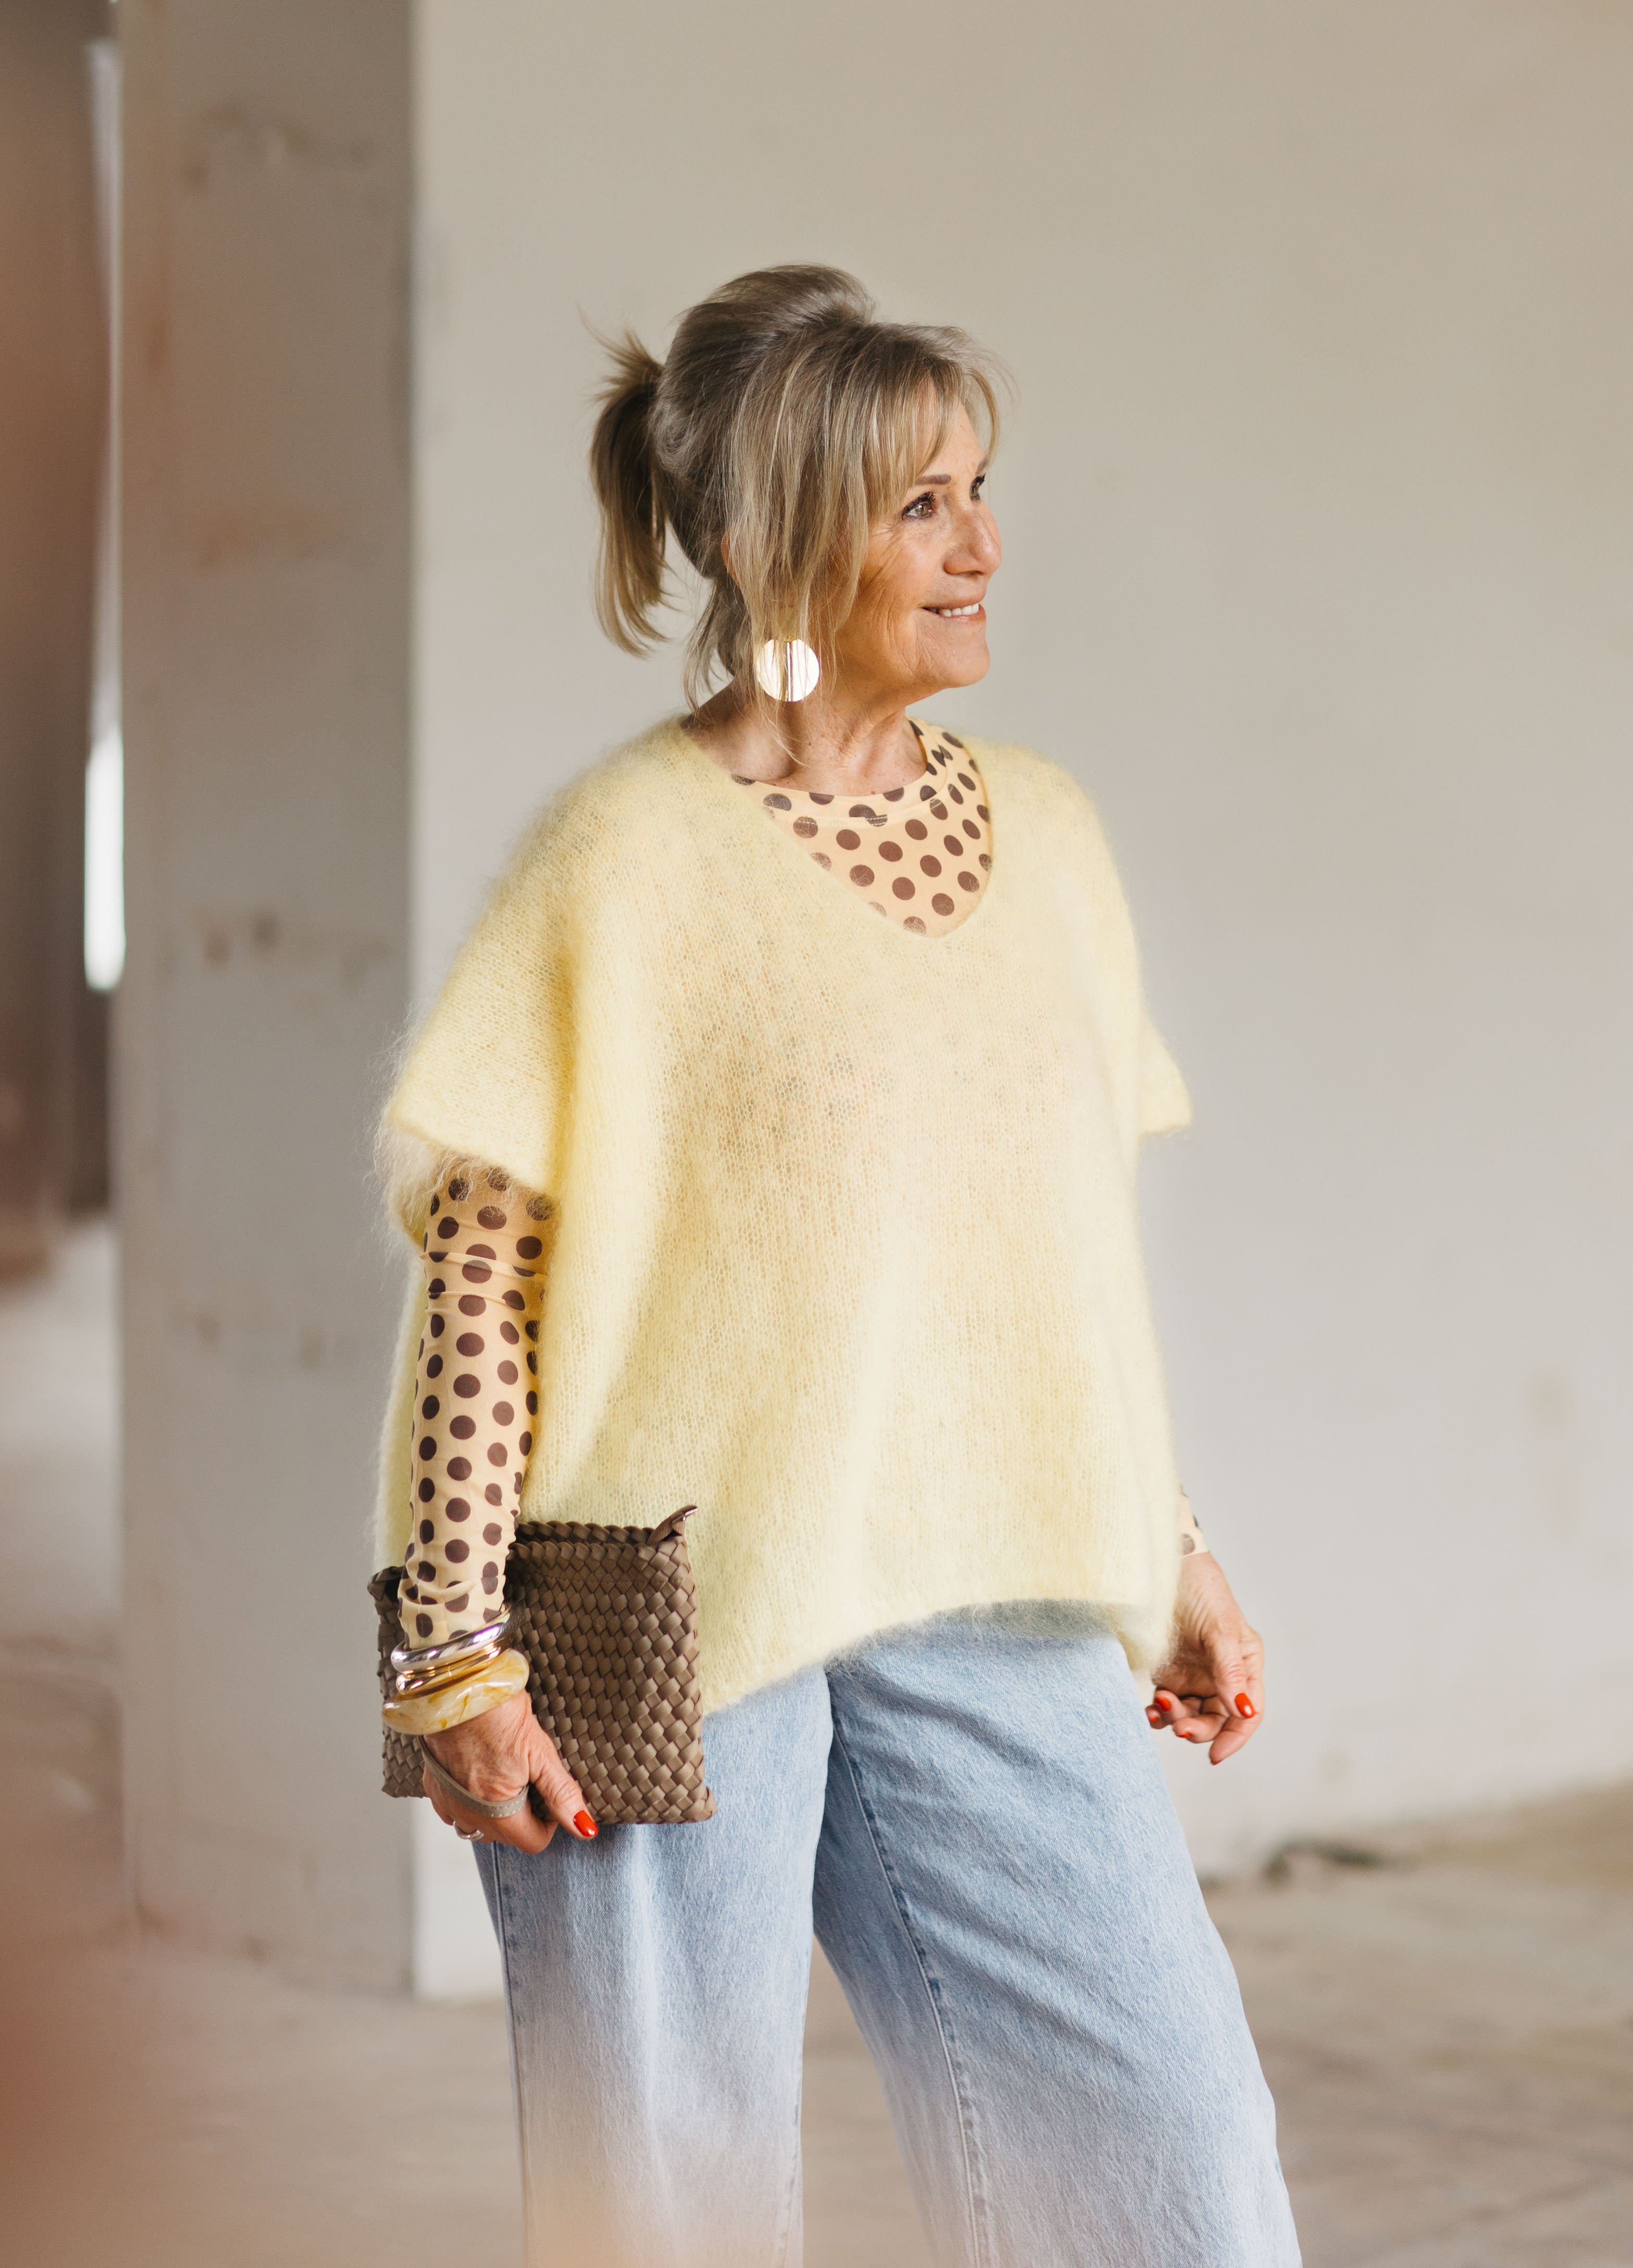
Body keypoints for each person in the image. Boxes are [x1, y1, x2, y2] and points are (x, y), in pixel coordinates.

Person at [372, 264, 1301, 2266]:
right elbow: (482, 1277)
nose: (984, 547)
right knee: (671, 2201)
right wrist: (450, 1653)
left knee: (1173, 2141)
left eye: (980, 490)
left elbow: (1048, 1264)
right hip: (670, 1608)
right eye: (921, 506)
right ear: (774, 542)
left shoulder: (1050, 842)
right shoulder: (621, 860)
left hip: (994, 1579)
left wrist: (1168, 1544)